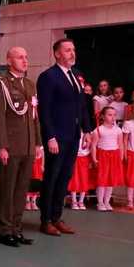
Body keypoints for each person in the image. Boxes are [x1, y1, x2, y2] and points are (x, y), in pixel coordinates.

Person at [36, 38, 91, 236]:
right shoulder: (48, 76)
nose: (72, 53)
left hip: (73, 134)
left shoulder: (77, 75)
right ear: (57, 54)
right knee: (52, 176)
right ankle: (46, 220)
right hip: (57, 136)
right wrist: (50, 136)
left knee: (65, 176)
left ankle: (57, 217)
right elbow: (45, 109)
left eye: (73, 50)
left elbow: (82, 105)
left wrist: (87, 129)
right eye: (67, 50)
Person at [0, 47, 42, 247]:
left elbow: (35, 116)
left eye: (26, 57)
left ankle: (17, 228)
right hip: (11, 146)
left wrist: (37, 142)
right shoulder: (0, 84)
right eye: (20, 57)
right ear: (9, 60)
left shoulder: (29, 84)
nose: (25, 60)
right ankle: (5, 230)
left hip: (27, 145)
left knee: (21, 190)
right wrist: (2, 146)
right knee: (7, 190)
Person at [91, 106, 124, 211]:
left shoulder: (118, 130)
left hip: (114, 156)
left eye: (114, 115)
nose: (113, 117)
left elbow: (121, 144)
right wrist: (94, 158)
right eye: (110, 115)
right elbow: (93, 145)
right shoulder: (98, 130)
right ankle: (100, 203)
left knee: (110, 180)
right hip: (103, 156)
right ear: (103, 116)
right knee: (102, 180)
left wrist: (121, 156)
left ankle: (107, 201)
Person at [68, 134, 93, 210]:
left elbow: (91, 147)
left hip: (84, 158)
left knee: (84, 180)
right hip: (74, 157)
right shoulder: (72, 133)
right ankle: (74, 201)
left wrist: (91, 160)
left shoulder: (89, 134)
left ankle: (81, 201)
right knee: (74, 179)